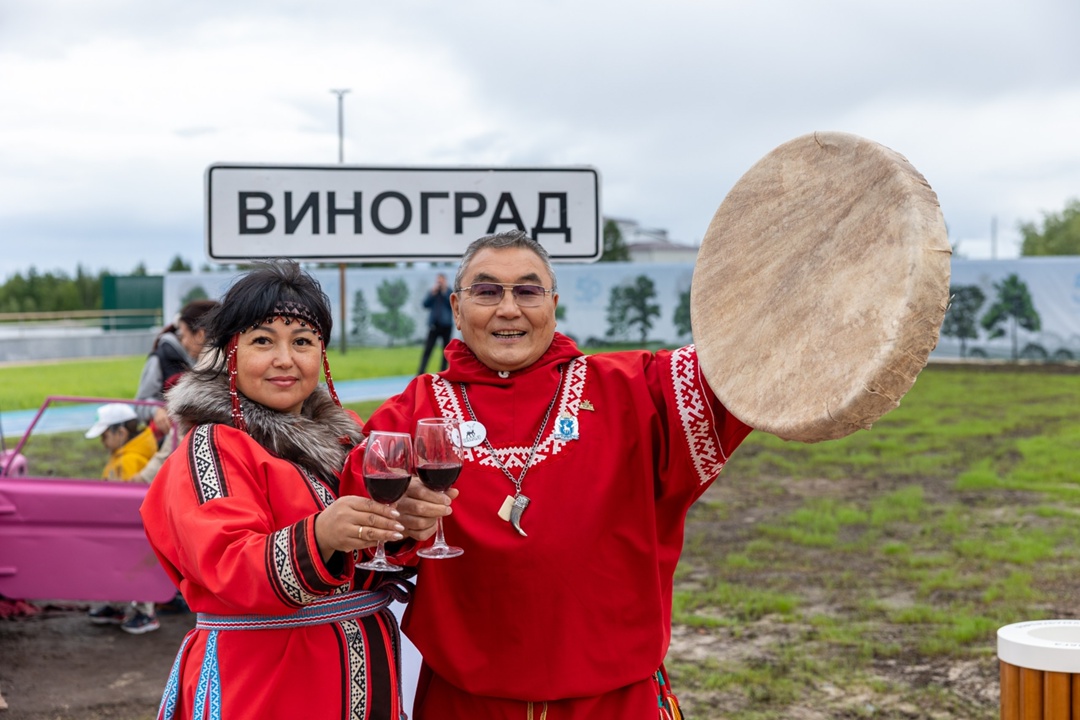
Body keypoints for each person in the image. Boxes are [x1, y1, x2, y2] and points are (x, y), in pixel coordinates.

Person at [353, 230, 753, 719]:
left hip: (613, 702)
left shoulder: (636, 389)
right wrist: (401, 523)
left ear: (553, 304)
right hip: (466, 703)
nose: (508, 308)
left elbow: (746, 362)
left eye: (527, 290)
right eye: (486, 291)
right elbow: (356, 537)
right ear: (456, 309)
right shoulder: (410, 411)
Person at [140, 261, 441, 719]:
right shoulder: (214, 445)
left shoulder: (348, 438)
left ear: (321, 354)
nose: (285, 359)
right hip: (266, 683)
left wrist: (405, 526)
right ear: (230, 353)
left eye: (302, 341)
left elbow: (371, 553)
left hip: (362, 673)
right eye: (263, 341)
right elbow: (227, 562)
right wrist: (321, 535)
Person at [84, 402, 160, 633]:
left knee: (133, 568)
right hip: (120, 525)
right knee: (116, 565)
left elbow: (127, 500)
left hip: (130, 528)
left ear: (121, 433)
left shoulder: (129, 460)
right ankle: (117, 604)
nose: (102, 441)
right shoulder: (120, 454)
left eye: (105, 435)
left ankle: (144, 613)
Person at [133, 299, 218, 423]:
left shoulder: (214, 362)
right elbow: (139, 403)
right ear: (200, 334)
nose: (183, 342)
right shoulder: (160, 358)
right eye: (181, 336)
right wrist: (155, 410)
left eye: (183, 335)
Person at [416, 272, 454, 375]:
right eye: (438, 281)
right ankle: (420, 373)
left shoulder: (449, 292)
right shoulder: (433, 293)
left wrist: (445, 291)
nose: (439, 283)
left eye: (441, 281)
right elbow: (425, 304)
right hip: (434, 325)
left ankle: (443, 372)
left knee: (445, 351)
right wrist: (432, 293)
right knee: (427, 350)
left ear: (445, 281)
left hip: (446, 326)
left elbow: (452, 305)